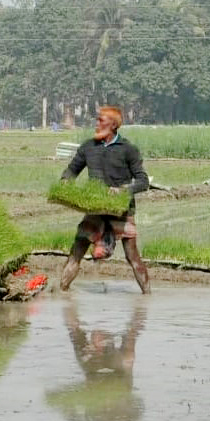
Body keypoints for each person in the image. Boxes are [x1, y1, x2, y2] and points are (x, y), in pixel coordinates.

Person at [59, 106, 150, 294]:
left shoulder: (128, 149)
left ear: (114, 125)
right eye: (97, 120)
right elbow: (72, 170)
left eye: (101, 120)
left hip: (121, 211)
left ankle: (147, 296)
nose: (97, 123)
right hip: (95, 211)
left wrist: (123, 191)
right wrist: (65, 181)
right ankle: (61, 291)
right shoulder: (88, 147)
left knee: (132, 257)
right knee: (77, 251)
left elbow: (143, 181)